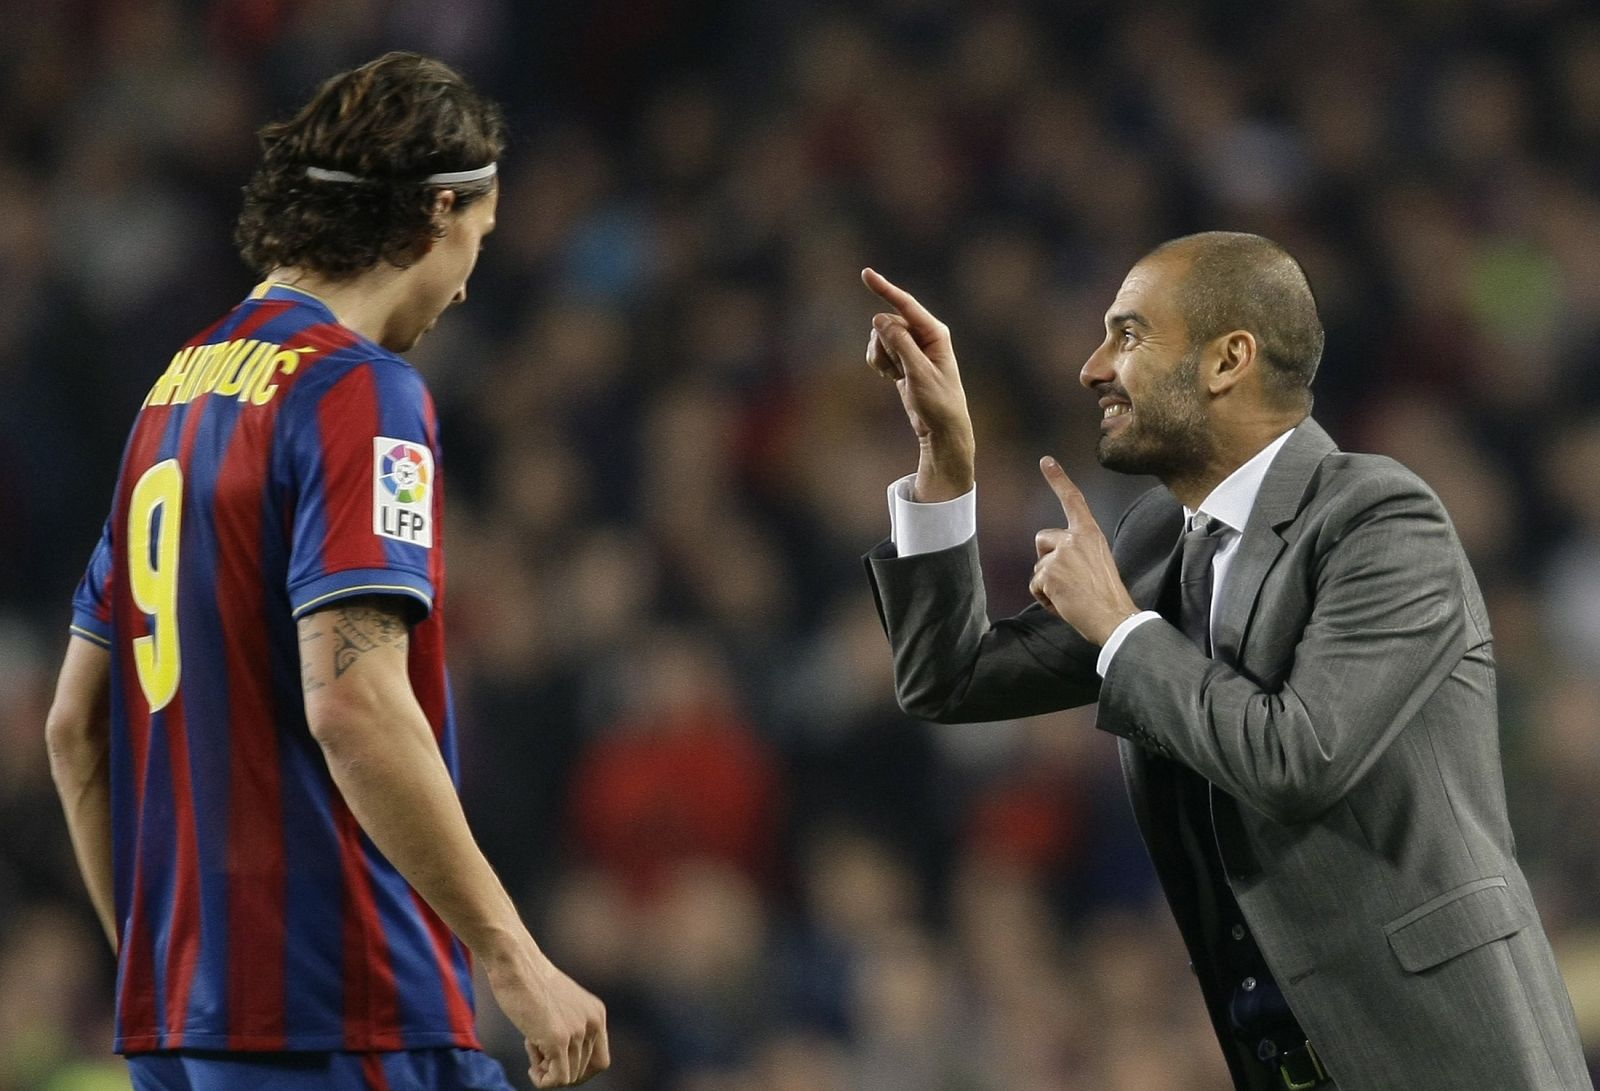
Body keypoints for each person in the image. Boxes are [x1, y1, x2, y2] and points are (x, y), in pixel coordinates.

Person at [858, 233, 1590, 1091]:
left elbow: (1300, 756)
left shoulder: (1381, 519)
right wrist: (945, 463)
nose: (1094, 367)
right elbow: (949, 678)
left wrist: (1123, 630)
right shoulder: (1161, 543)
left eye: (1128, 335)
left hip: (1445, 1061)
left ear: (1228, 359)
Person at [44, 52, 609, 1091]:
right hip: (342, 1013)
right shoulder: (359, 391)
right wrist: (513, 955)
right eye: (475, 242)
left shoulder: (171, 402)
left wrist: (161, 972)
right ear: (438, 209)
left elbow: (74, 724)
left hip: (182, 1029)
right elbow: (354, 703)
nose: (470, 279)